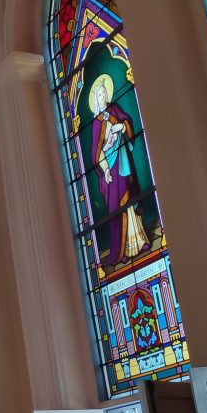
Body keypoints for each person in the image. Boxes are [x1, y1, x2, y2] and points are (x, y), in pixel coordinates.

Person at [89, 73, 149, 268]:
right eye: (100, 94)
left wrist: (120, 128)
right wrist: (105, 170)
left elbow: (127, 122)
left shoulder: (115, 109)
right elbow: (95, 154)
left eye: (105, 92)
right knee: (117, 206)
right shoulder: (96, 123)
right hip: (111, 168)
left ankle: (139, 240)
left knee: (129, 199)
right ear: (96, 100)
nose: (104, 96)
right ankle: (122, 250)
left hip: (123, 161)